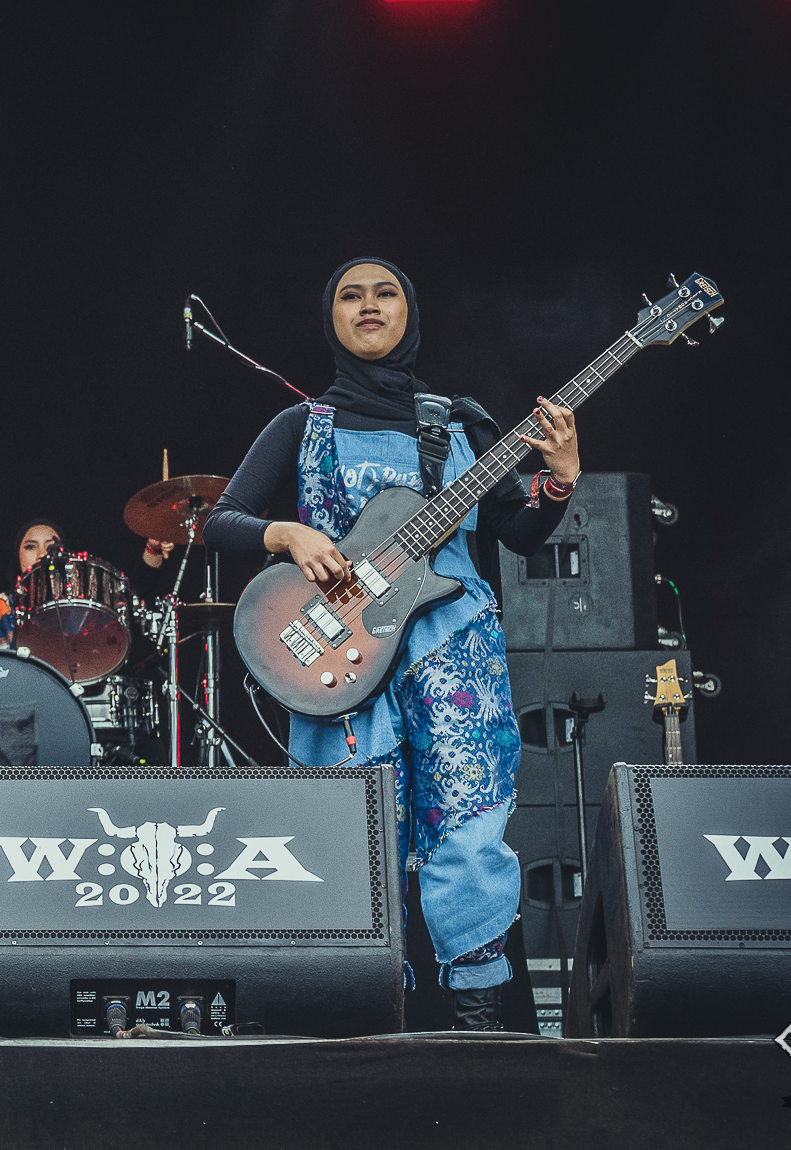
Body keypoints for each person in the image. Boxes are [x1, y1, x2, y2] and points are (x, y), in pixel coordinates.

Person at [201, 257, 580, 1030]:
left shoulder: (463, 424)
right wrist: (287, 533)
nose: (368, 305)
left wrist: (560, 483)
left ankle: (477, 1022)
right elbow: (221, 520)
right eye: (350, 295)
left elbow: (516, 531)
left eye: (385, 293)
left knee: (469, 823)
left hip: (454, 647)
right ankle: (365, 1015)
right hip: (340, 653)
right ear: (331, 317)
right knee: (353, 828)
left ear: (410, 313)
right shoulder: (302, 424)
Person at [0, 521, 173, 650]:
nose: (42, 553)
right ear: (17, 559)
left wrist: (152, 549)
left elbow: (132, 591)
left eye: (51, 545)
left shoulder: (83, 603)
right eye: (31, 546)